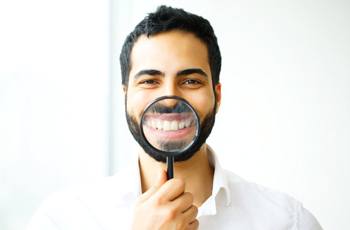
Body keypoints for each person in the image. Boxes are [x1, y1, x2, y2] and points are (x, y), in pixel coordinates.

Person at [27, 5, 323, 230]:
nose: (170, 99)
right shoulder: (63, 219)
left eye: (191, 81)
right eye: (149, 81)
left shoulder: (288, 222)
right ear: (125, 95)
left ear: (217, 95)